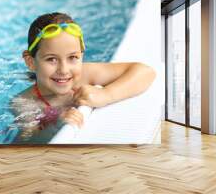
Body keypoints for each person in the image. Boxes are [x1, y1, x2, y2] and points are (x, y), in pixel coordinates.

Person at [10, 12, 156, 143]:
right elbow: (27, 140)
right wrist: (56, 125)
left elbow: (145, 72)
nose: (64, 70)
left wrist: (106, 94)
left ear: (81, 56)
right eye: (51, 59)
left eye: (73, 57)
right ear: (30, 61)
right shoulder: (25, 102)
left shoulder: (84, 74)